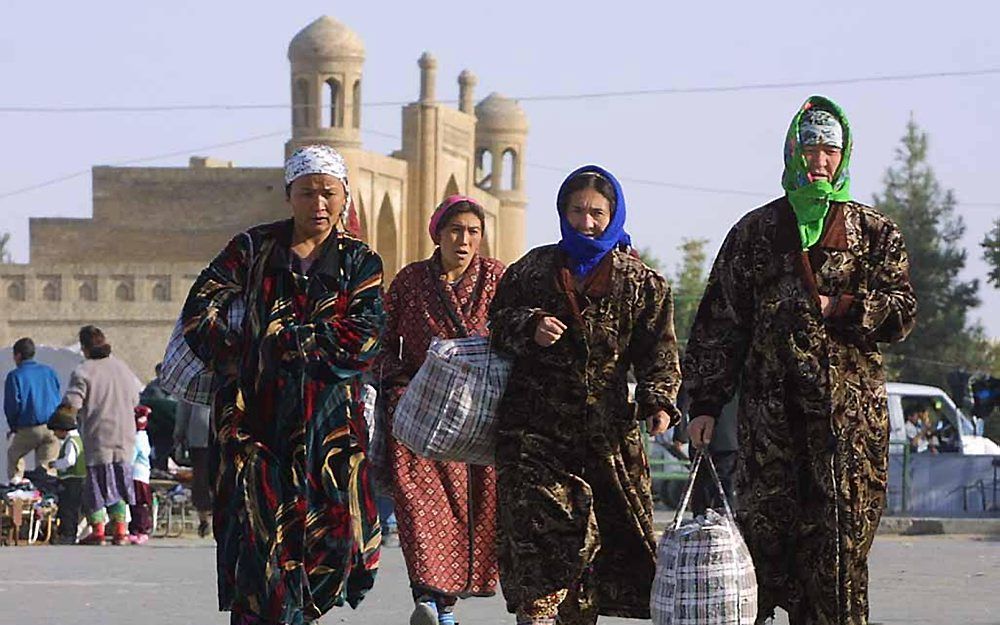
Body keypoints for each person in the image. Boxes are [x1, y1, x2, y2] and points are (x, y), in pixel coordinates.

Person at [683, 96, 917, 625]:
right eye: (810, 147)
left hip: (848, 429)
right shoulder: (756, 232)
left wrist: (845, 307)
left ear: (844, 155)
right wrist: (704, 404)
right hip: (770, 426)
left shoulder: (874, 232)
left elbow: (903, 313)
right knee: (765, 550)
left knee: (839, 556)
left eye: (830, 149)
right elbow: (720, 323)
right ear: (793, 151)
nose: (820, 160)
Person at [176, 144, 385, 624]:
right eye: (308, 192)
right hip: (254, 420)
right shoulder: (252, 249)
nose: (319, 204)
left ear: (343, 196)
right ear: (289, 195)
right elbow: (199, 310)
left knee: (330, 544)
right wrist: (242, 357)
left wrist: (283, 342)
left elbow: (365, 335)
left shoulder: (359, 261)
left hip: (327, 426)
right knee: (256, 542)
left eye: (328, 193)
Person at [489, 166, 681, 625]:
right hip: (532, 432)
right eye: (577, 211)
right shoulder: (532, 270)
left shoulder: (642, 284)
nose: (587, 222)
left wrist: (658, 400)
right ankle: (537, 614)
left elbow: (659, 349)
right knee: (538, 533)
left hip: (605, 438)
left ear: (613, 215)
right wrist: (528, 325)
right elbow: (496, 324)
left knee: (595, 545)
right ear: (562, 212)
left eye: (597, 212)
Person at [377, 195, 505, 625]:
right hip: (419, 413)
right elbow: (382, 338)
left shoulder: (498, 279)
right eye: (455, 231)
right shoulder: (412, 281)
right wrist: (397, 385)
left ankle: (444, 604)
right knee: (418, 508)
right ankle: (427, 598)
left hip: (478, 418)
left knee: (468, 512)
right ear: (438, 233)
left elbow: (517, 333)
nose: (464, 240)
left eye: (473, 232)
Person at [55, 325, 143, 546]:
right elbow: (135, 400)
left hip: (98, 435)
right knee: (120, 481)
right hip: (125, 435)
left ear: (84, 348)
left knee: (96, 483)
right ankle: (121, 530)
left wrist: (59, 420)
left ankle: (99, 530)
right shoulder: (123, 368)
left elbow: (72, 403)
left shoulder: (84, 371)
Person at [4, 337, 61, 482]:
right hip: (53, 427)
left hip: (29, 427)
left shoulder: (15, 376)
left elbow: (12, 405)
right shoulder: (49, 372)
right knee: (47, 468)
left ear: (17, 355)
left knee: (14, 455)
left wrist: (14, 426)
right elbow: (57, 394)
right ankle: (48, 498)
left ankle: (17, 490)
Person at [173, 399, 213, 537]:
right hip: (223, 433)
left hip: (198, 435)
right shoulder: (230, 378)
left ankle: (204, 518)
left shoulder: (194, 381)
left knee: (200, 479)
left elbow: (183, 410)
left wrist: (178, 435)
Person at [46, 409, 85, 545]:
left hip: (71, 480)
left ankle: (68, 535)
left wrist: (55, 464)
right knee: (74, 509)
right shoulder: (79, 439)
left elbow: (70, 461)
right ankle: (70, 534)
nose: (55, 435)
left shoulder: (70, 442)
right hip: (79, 479)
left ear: (63, 429)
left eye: (55, 431)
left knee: (68, 509)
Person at [142, 363, 177, 471]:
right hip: (157, 425)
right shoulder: (152, 388)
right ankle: (158, 466)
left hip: (170, 425)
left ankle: (161, 466)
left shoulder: (176, 387)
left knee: (165, 447)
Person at [128, 406, 153, 544]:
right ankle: (138, 528)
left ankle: (140, 530)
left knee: (137, 503)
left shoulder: (137, 438)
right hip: (142, 474)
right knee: (139, 503)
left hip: (136, 474)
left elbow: (131, 457)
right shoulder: (144, 436)